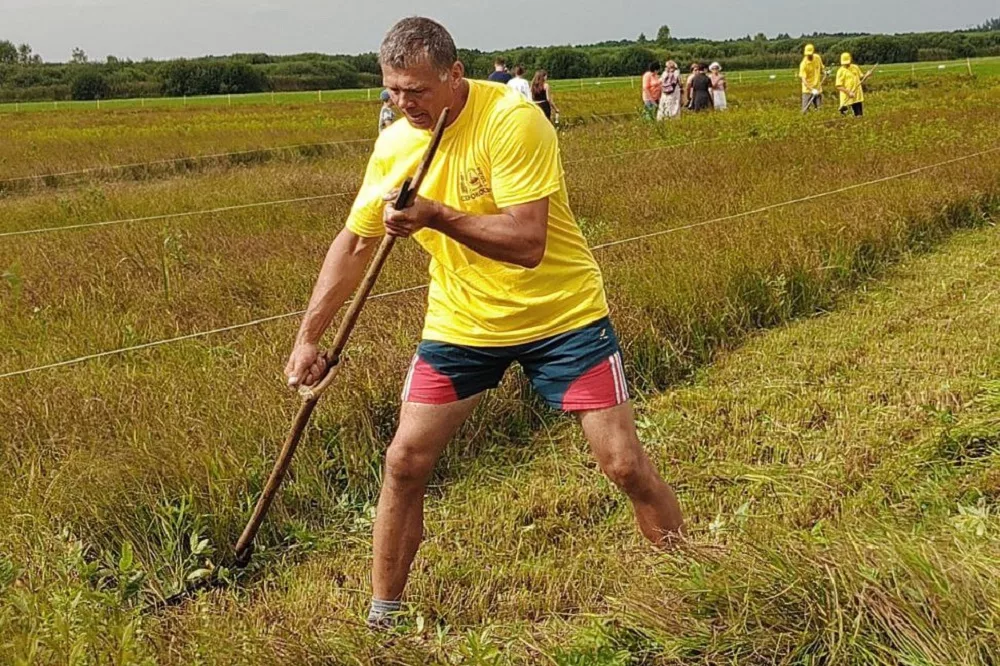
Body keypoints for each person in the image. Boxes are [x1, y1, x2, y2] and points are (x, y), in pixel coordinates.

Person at [284, 16, 685, 631]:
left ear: (455, 74)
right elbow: (356, 244)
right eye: (392, 90)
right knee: (404, 461)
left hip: (563, 317)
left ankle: (688, 582)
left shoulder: (512, 120)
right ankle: (384, 618)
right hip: (461, 325)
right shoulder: (394, 145)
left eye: (417, 90)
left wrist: (436, 215)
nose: (404, 103)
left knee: (623, 464)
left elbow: (527, 242)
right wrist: (308, 337)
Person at [835, 52, 872, 117]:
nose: (846, 64)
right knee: (846, 117)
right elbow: (838, 86)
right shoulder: (840, 71)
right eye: (845, 63)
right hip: (847, 98)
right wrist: (848, 92)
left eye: (848, 63)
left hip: (857, 96)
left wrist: (867, 75)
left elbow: (861, 78)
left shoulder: (855, 67)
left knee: (859, 116)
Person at [799, 43, 825, 112]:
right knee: (805, 110)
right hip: (807, 90)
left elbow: (821, 69)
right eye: (808, 54)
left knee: (819, 109)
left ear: (813, 52)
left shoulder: (817, 58)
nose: (809, 56)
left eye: (810, 54)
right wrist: (812, 89)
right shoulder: (803, 64)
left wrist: (825, 72)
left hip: (818, 88)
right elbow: (803, 79)